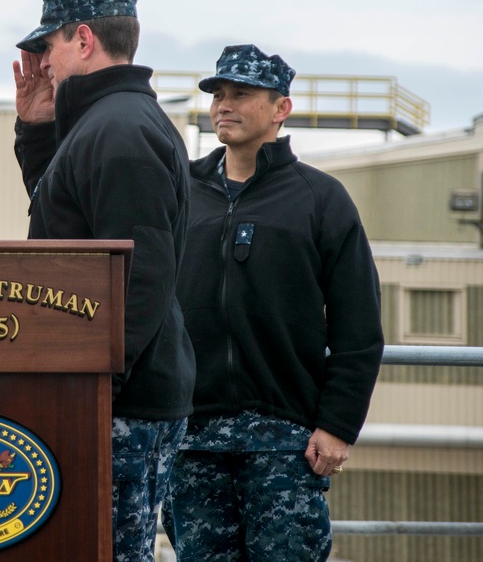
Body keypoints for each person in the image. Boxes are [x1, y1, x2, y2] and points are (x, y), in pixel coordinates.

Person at [163, 44, 384, 561]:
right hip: (191, 435)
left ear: (280, 108)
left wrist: (337, 425)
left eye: (241, 94)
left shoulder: (319, 198)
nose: (224, 104)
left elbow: (359, 327)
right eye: (218, 94)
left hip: (285, 440)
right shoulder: (181, 194)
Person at [11, 0, 196, 562]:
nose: (42, 64)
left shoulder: (120, 131)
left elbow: (140, 275)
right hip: (112, 394)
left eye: (49, 47)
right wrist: (38, 130)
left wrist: (96, 389)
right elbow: (61, 225)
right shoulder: (106, 121)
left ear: (84, 40)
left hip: (119, 403)